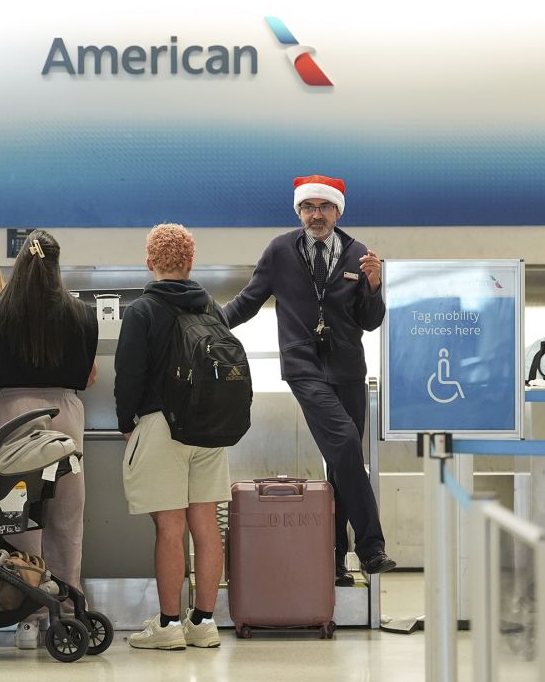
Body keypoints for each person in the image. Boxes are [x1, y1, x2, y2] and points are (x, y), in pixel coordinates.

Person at [223, 174, 396, 585]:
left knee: (340, 463)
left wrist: (374, 286)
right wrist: (207, 326)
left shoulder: (359, 255)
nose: (316, 215)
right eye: (308, 207)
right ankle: (371, 548)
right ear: (299, 211)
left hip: (349, 369)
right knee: (347, 443)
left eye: (324, 207)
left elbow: (370, 323)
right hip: (304, 367)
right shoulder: (281, 250)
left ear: (337, 211)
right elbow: (248, 301)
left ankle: (334, 564)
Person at [0, 230, 98, 649]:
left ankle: (29, 616)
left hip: (11, 416)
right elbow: (89, 377)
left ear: (18, 264)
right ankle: (69, 610)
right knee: (65, 511)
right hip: (65, 417)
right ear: (57, 267)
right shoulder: (83, 315)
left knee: (17, 510)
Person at [115, 223, 232, 651]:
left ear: (150, 263)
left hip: (161, 426)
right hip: (210, 428)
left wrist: (126, 421)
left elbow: (128, 375)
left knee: (170, 527)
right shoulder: (212, 309)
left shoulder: (142, 310)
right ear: (190, 263)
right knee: (206, 527)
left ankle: (167, 626)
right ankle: (203, 622)